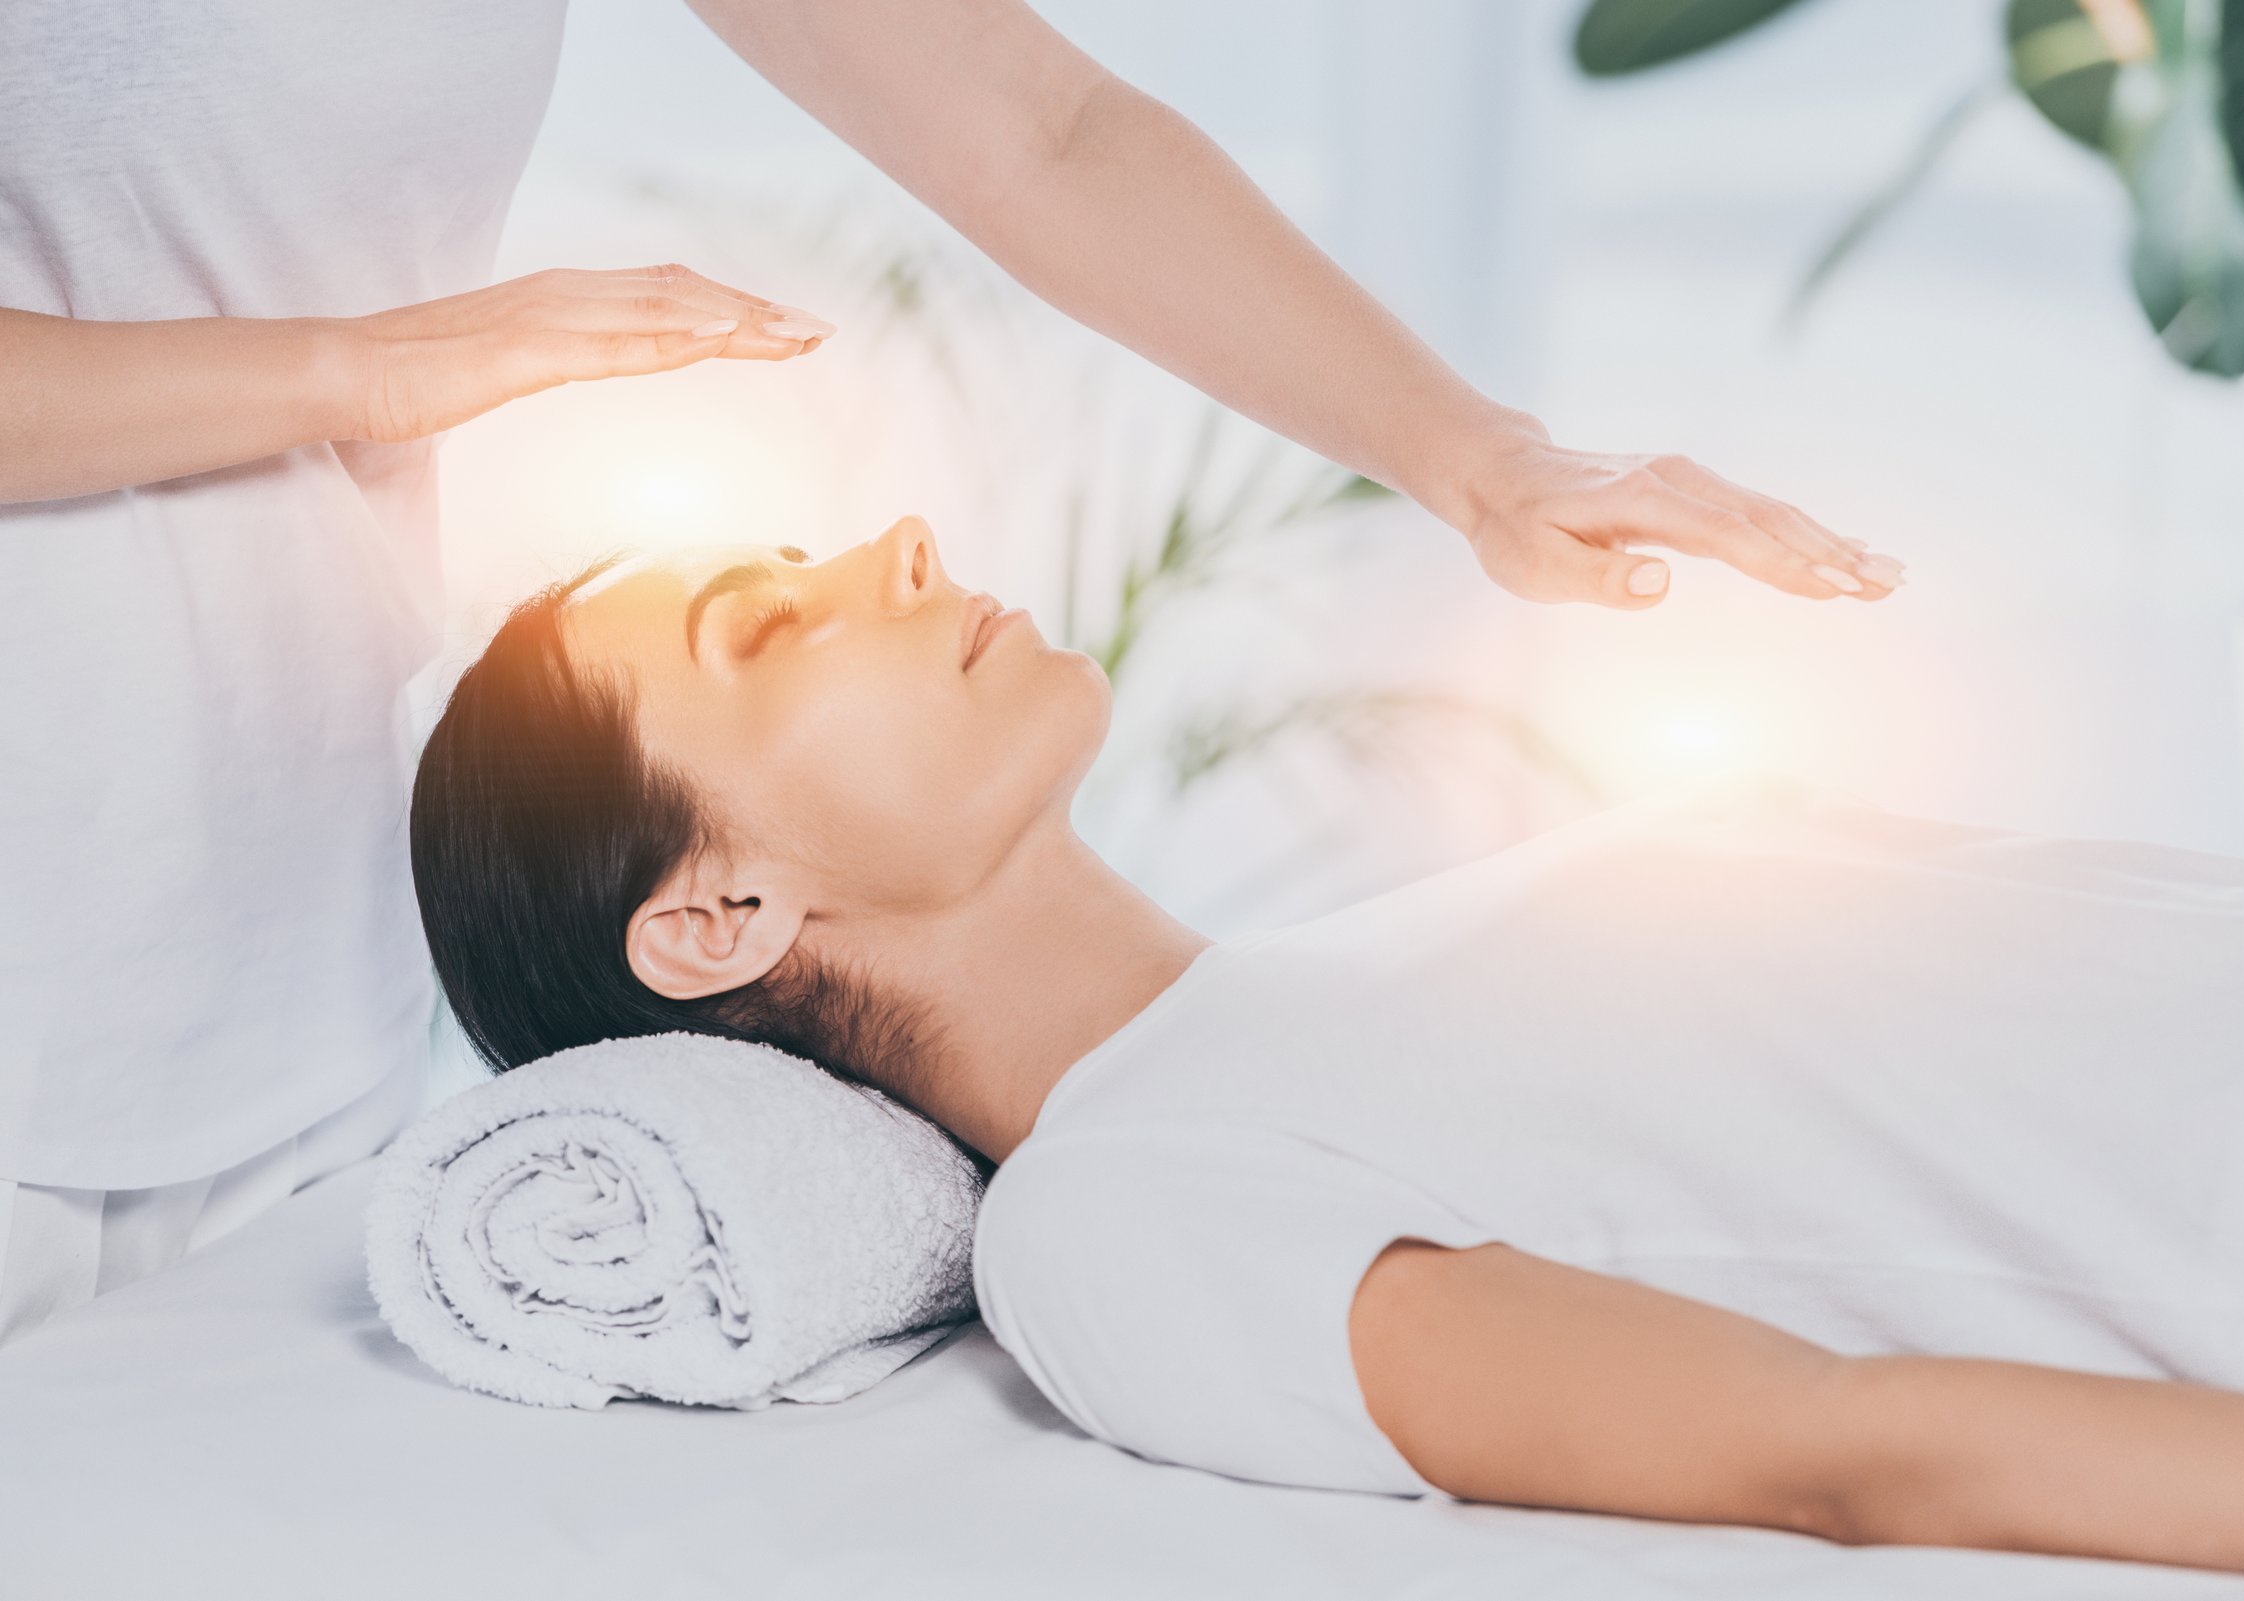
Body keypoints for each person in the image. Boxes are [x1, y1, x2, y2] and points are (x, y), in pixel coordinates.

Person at [0, 0, 1896, 1345]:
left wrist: (1477, 457)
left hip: (273, 945)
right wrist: (375, 368)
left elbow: (1037, 122)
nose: (902, 562)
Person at [410, 520, 2244, 1581]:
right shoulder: (1115, 1218)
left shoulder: (1358, 963)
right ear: (715, 918)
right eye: (768, 630)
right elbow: (1832, 1448)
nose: (902, 546)